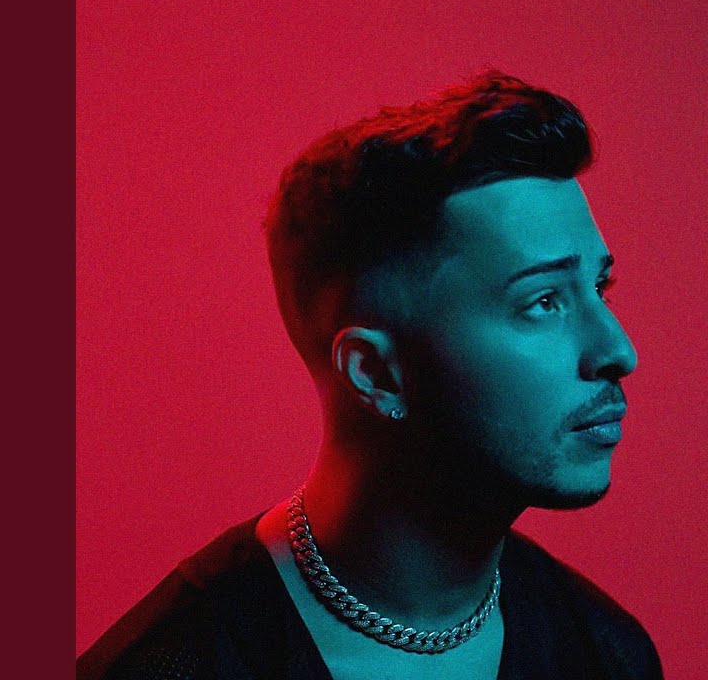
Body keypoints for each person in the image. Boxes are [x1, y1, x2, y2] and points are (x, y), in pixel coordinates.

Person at [78, 70, 664, 680]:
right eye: (543, 301)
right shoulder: (174, 665)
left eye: (600, 287)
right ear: (376, 374)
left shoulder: (605, 653)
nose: (618, 350)